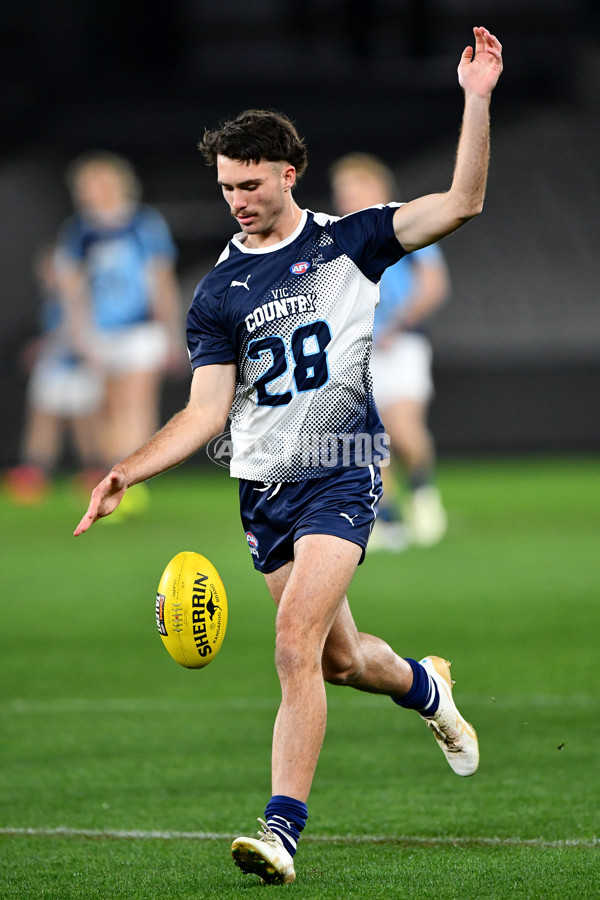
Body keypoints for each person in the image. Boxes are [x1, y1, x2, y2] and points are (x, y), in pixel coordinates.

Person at [74, 27, 502, 886]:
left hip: (343, 469)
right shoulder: (217, 293)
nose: (236, 198)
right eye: (226, 186)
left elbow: (461, 202)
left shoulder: (354, 241)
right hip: (262, 488)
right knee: (341, 661)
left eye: (250, 183)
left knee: (293, 641)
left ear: (287, 173)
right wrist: (128, 468)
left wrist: (478, 97)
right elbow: (203, 413)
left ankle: (281, 832)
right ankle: (425, 686)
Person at [330, 153, 450, 549]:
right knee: (370, 437)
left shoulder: (402, 223)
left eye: (356, 188)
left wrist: (396, 325)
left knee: (405, 432)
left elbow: (433, 284)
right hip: (359, 349)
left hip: (401, 343)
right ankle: (389, 516)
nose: (348, 198)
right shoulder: (337, 237)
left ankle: (422, 490)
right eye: (343, 192)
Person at [54, 151, 184, 512]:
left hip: (140, 328)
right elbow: (71, 290)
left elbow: (161, 281)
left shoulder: (143, 224)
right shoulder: (79, 231)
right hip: (100, 332)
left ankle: (129, 481)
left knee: (135, 403)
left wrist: (171, 331)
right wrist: (77, 335)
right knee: (105, 407)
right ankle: (112, 475)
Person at [4, 244, 104, 504]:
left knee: (85, 424)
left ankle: (94, 473)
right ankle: (35, 472)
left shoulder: (82, 297)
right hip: (54, 365)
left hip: (77, 365)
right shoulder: (51, 298)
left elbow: (79, 333)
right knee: (42, 419)